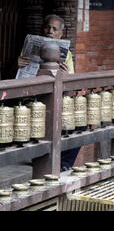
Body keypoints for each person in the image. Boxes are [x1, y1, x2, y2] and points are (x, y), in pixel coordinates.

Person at [18, 14, 79, 170]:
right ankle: (38, 157)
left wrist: (66, 76)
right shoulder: (28, 50)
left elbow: (71, 89)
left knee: (80, 124)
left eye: (54, 29)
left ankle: (64, 165)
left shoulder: (67, 55)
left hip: (57, 99)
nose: (50, 31)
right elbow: (14, 79)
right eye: (47, 27)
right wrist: (16, 65)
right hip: (30, 99)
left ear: (61, 33)